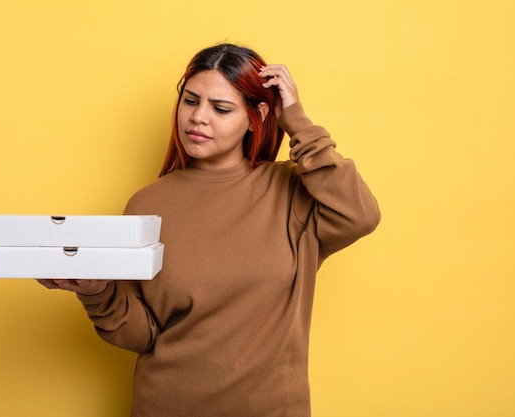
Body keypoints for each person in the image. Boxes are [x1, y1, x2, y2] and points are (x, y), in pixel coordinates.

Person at [37, 43, 380, 417]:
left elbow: (360, 215)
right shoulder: (147, 204)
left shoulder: (291, 192)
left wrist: (297, 121)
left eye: (220, 108)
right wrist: (97, 291)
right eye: (190, 101)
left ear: (256, 117)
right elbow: (143, 335)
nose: (198, 118)